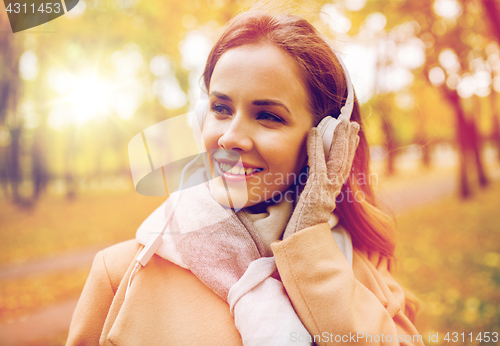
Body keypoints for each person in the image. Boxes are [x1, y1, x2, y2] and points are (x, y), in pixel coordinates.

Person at [66, 10, 424, 346]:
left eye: (267, 115)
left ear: (326, 144)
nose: (229, 138)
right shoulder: (120, 274)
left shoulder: (358, 266)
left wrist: (311, 248)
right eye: (221, 109)